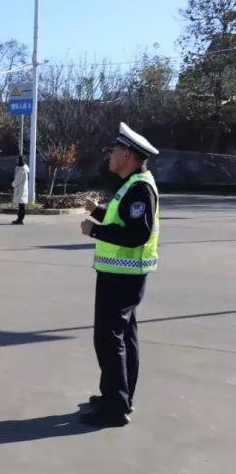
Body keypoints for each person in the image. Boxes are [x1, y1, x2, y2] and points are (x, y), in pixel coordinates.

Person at [80, 122, 159, 428]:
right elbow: (125, 221)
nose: (109, 156)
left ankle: (116, 408)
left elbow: (137, 234)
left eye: (113, 151)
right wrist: (98, 211)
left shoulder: (139, 188)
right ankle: (119, 397)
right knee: (124, 338)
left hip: (122, 276)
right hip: (121, 274)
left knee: (109, 339)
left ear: (127, 154)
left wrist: (94, 230)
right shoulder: (132, 185)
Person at [11, 156, 29, 225]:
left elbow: (18, 180)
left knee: (21, 205)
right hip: (21, 189)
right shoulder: (23, 169)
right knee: (21, 205)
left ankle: (20, 219)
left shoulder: (22, 170)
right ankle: (20, 219)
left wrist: (13, 184)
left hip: (20, 190)